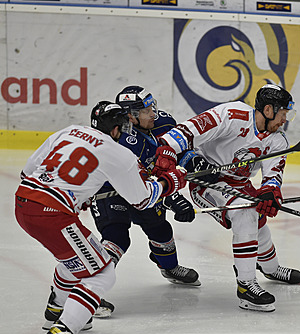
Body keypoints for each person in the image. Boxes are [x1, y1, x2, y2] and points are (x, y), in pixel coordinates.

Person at [15, 101, 187, 334]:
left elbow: (27, 171)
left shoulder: (69, 131)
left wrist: (76, 192)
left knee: (72, 258)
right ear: (118, 128)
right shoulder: (119, 154)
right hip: (53, 214)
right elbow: (141, 200)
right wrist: (168, 182)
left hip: (24, 203)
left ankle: (58, 309)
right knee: (102, 273)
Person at [154, 84, 300, 312]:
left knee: (258, 218)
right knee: (245, 213)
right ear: (268, 109)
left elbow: (273, 176)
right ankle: (245, 285)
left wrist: (270, 192)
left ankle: (270, 268)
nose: (285, 120)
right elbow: (189, 129)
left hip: (240, 184)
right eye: (283, 114)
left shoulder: (277, 140)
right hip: (207, 181)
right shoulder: (232, 115)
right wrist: (167, 150)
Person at [88, 86, 218, 318]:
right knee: (116, 238)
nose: (153, 114)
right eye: (147, 110)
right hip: (110, 193)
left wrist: (196, 164)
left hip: (145, 188)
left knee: (161, 230)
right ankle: (89, 292)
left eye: (152, 107)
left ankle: (168, 267)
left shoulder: (164, 122)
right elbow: (141, 179)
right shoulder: (121, 140)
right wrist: (173, 199)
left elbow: (180, 151)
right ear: (129, 116)